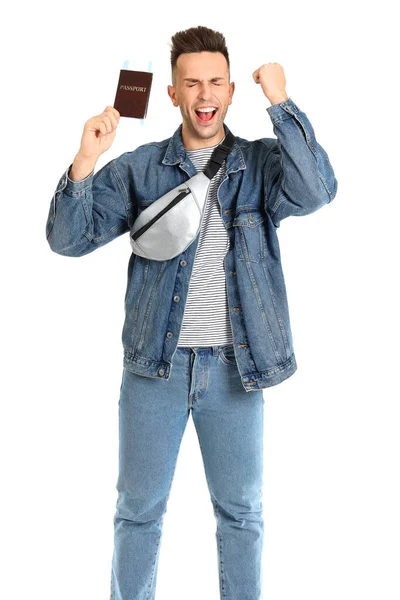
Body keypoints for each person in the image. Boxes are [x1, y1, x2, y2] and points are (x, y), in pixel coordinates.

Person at [45, 25, 337, 600]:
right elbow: (66, 239)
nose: (205, 94)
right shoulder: (142, 168)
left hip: (236, 370)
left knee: (243, 516)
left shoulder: (261, 165)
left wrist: (282, 103)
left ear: (230, 91)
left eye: (216, 82)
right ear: (173, 93)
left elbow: (319, 189)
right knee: (138, 513)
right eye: (192, 83)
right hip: (155, 368)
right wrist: (84, 160)